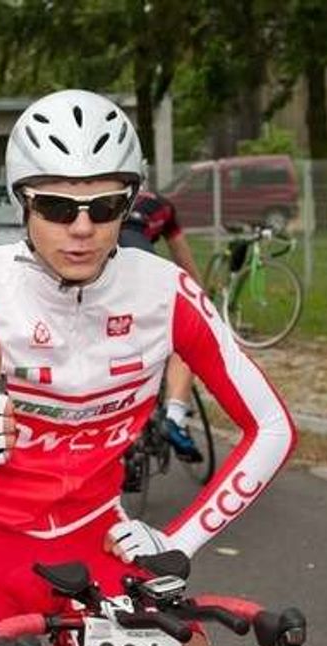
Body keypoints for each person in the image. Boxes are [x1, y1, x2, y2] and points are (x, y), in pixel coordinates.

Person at [0, 90, 297, 646]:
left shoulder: (163, 292)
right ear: (24, 204)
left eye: (106, 206)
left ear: (129, 204)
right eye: (57, 207)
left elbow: (273, 428)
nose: (81, 228)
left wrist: (180, 538)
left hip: (98, 538)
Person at [119, 189, 206, 463]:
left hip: (105, 269)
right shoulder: (163, 207)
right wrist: (203, 303)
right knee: (186, 338)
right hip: (141, 268)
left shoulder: (105, 198)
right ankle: (175, 417)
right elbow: (185, 264)